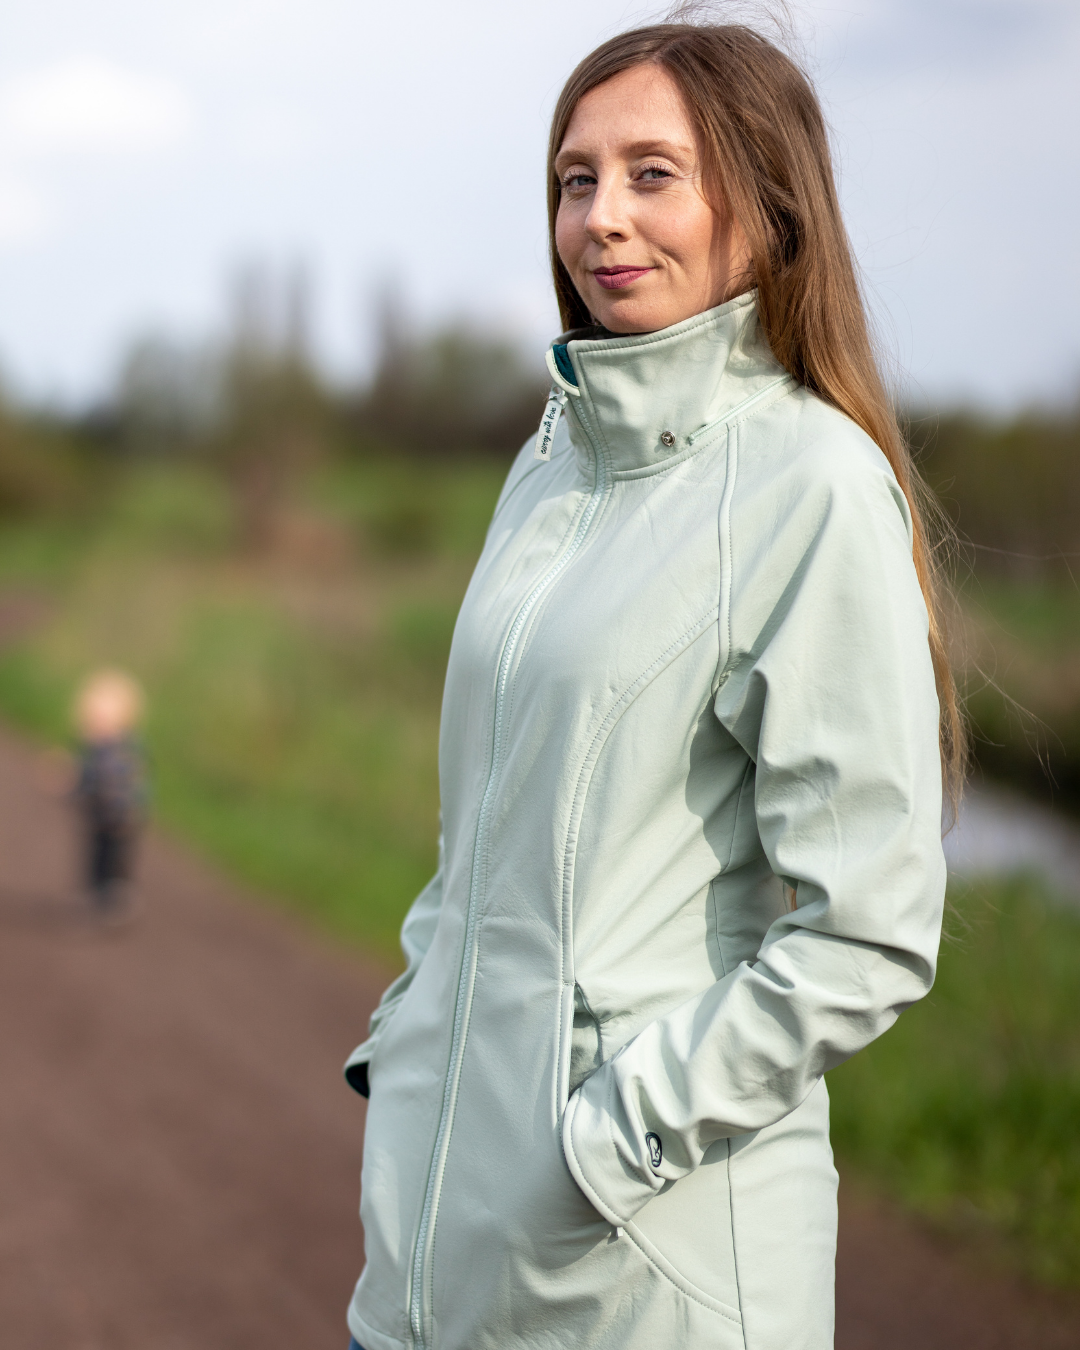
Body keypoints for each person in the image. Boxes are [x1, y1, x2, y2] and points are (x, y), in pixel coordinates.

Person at [343, 18, 962, 1350]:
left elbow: (870, 930)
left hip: (643, 1274)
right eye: (576, 179)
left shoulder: (813, 486)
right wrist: (413, 1042)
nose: (603, 219)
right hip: (430, 1259)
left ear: (764, 206)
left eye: (652, 174)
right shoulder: (553, 462)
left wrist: (603, 1143)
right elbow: (487, 841)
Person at [73, 669, 147, 918]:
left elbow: (117, 785)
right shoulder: (96, 750)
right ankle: (102, 901)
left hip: (119, 819)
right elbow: (88, 782)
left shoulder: (119, 752)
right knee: (99, 861)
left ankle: (115, 903)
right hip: (101, 819)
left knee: (114, 862)